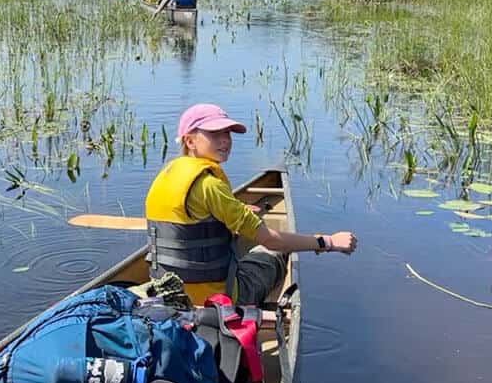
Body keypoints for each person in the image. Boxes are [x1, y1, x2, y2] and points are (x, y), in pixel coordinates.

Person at [145, 104, 356, 306]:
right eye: (214, 134)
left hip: (168, 294)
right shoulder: (210, 186)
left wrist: (238, 211)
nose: (225, 141)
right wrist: (327, 242)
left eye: (227, 133)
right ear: (190, 141)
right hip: (216, 300)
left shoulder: (166, 174)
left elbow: (187, 223)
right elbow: (273, 241)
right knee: (273, 252)